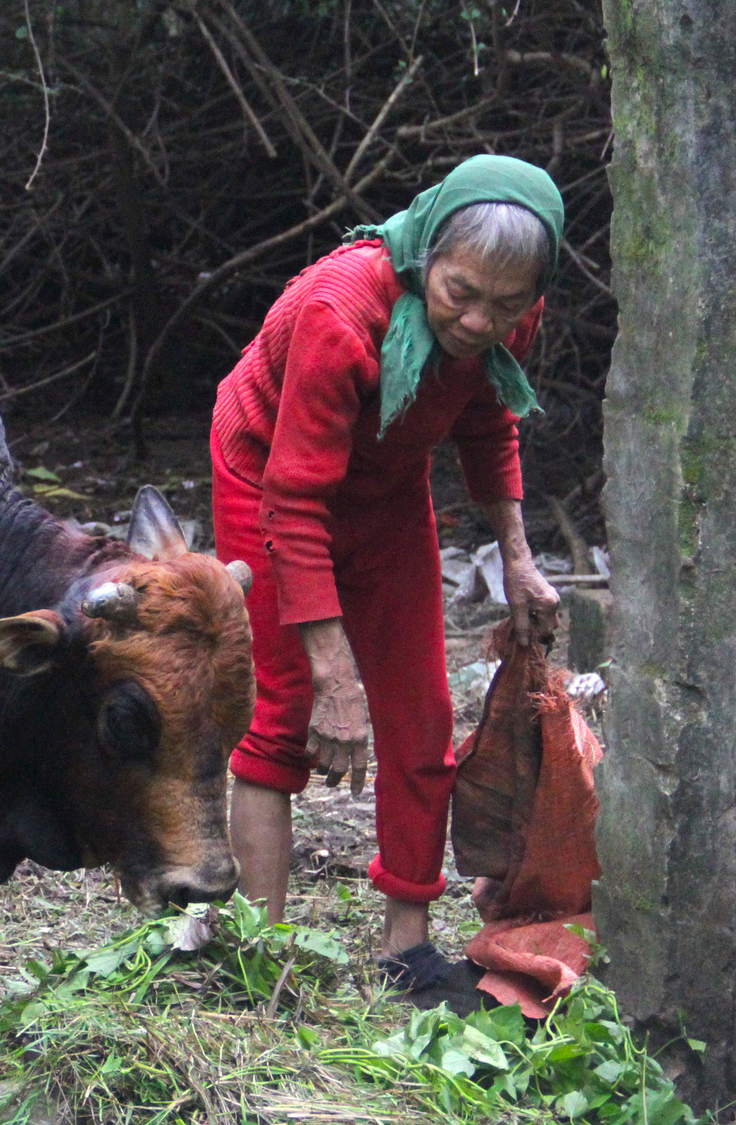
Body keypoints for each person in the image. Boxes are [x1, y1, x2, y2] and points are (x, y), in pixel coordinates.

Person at [210, 155, 564, 1001]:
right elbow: (293, 505)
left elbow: (489, 424)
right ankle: (261, 950)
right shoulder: (341, 314)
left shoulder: (511, 307)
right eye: (460, 295)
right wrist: (334, 673)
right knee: (284, 706)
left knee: (423, 708)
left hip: (387, 488)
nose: (481, 321)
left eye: (506, 305)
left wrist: (517, 556)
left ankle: (405, 946)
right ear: (429, 255)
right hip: (268, 478)